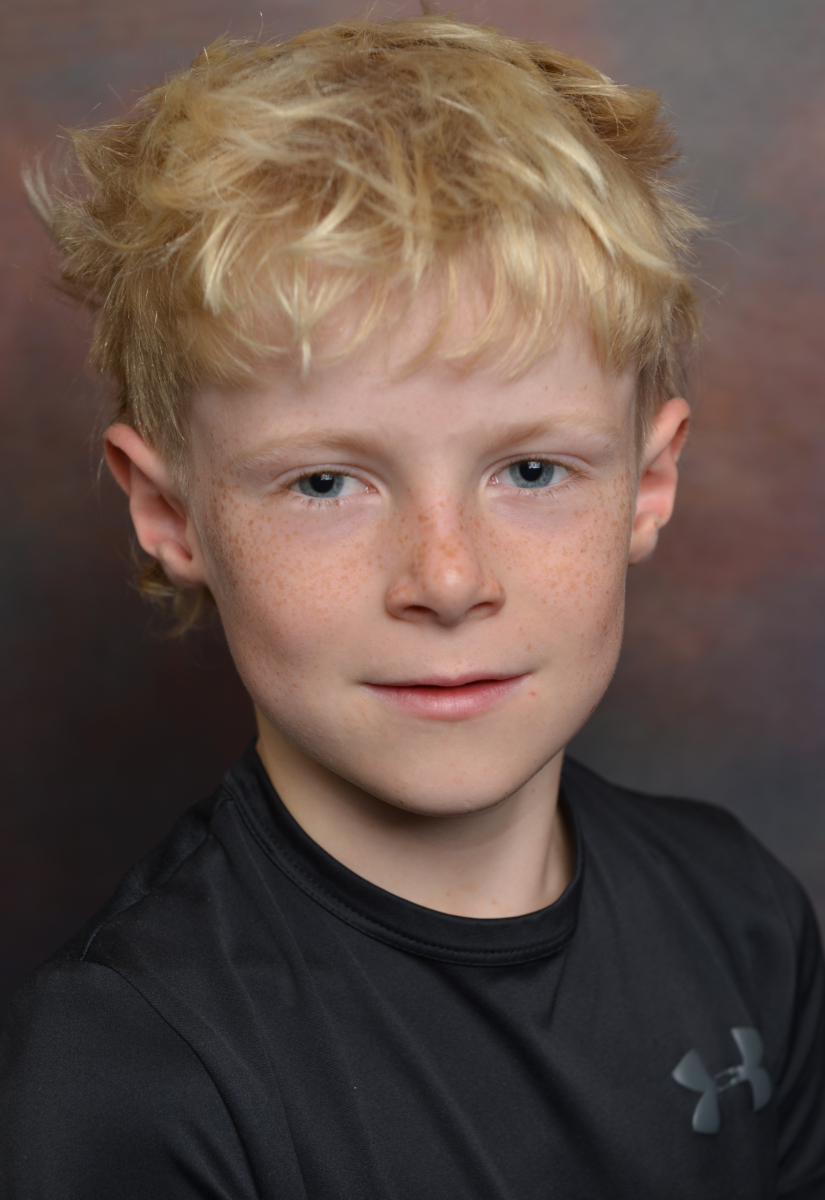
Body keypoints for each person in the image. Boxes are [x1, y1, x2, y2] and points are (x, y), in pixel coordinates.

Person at [1, 14, 823, 1198]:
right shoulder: (128, 1066)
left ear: (648, 486)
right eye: (325, 483)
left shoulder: (741, 916)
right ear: (171, 513)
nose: (445, 579)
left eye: (531, 470)